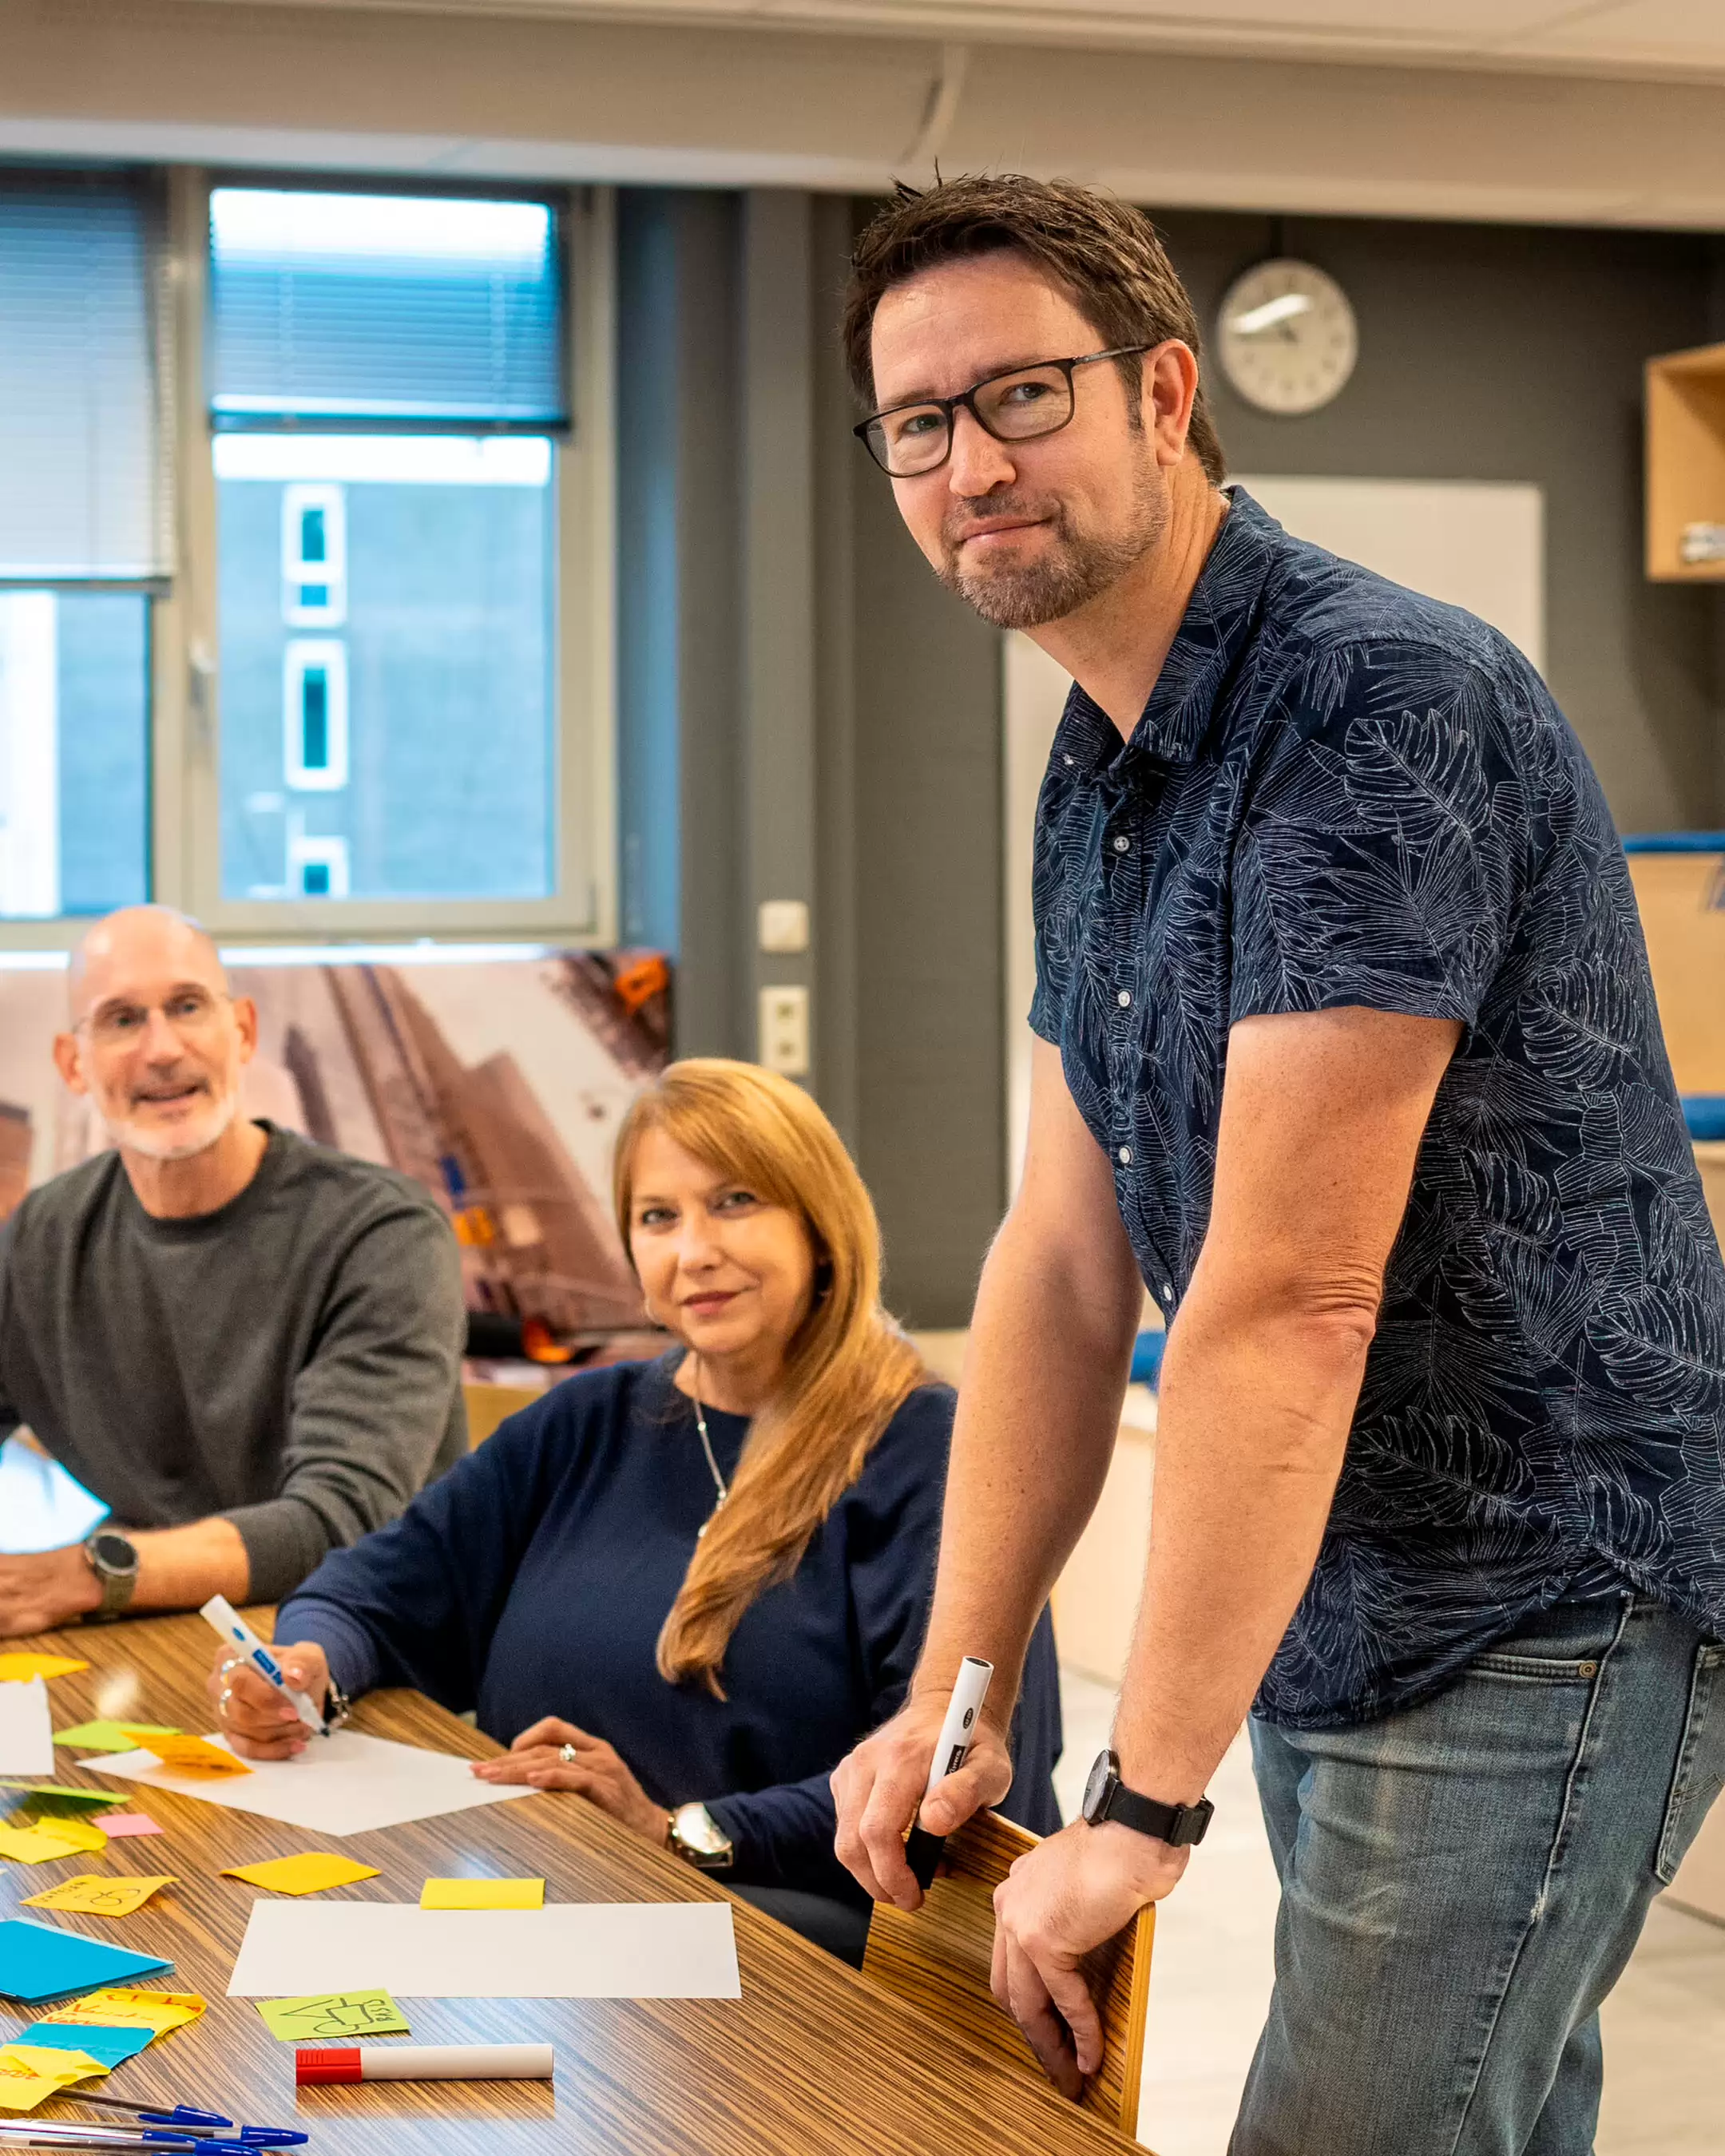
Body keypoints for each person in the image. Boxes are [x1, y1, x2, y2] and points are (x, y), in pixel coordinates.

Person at [827, 175, 1725, 2154]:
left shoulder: (1373, 702)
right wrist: (958, 1697)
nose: (968, 460)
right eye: (916, 422)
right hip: (1332, 1567)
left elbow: (1289, 1295)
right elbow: (1063, 1262)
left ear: (1162, 391)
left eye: (1019, 395)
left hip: (1535, 1582)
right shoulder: (1099, 756)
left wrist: (1138, 1808)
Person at [210, 1057, 1062, 1964]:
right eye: (658, 1217)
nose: (693, 1251)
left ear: (820, 1226)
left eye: (735, 1202)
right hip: (545, 1937)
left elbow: (956, 1786)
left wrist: (677, 1830)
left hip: (803, 1972)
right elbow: (370, 1592)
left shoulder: (933, 1451)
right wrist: (308, 1669)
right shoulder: (588, 1421)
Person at [0, 906, 466, 1635]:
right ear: (73, 1065)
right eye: (121, 1019)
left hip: (360, 1642)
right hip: (151, 1633)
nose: (162, 1049)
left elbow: (336, 1520)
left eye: (188, 1006)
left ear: (242, 1031)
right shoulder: (41, 1239)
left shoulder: (381, 1234)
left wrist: (89, 1574)